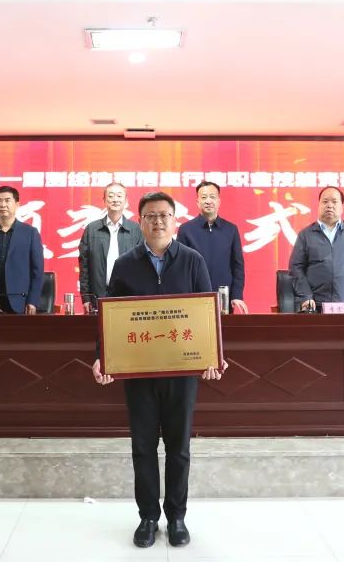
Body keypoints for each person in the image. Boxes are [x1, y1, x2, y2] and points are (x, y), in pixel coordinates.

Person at [91, 191, 227, 549]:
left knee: (179, 447)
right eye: (150, 216)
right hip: (140, 372)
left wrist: (213, 356)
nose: (158, 221)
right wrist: (102, 357)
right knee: (143, 446)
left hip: (181, 372)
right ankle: (148, 517)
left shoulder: (193, 261)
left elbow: (206, 314)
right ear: (140, 221)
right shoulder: (125, 265)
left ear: (174, 220)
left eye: (164, 215)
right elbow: (111, 318)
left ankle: (177, 517)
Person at [289, 186, 344, 312]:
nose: (329, 205)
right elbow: (296, 267)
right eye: (325, 201)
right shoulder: (306, 235)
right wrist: (305, 296)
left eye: (334, 202)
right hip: (315, 306)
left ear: (342, 207)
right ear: (318, 205)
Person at [176, 180, 248, 313]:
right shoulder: (186, 230)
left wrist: (237, 295)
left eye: (212, 197)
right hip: (194, 298)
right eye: (204, 197)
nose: (208, 201)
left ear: (219, 201)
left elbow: (237, 266)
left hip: (224, 298)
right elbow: (180, 267)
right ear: (197, 202)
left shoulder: (231, 229)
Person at [0, 185, 44, 314]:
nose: (3, 205)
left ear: (17, 205)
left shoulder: (30, 233)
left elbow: (37, 271)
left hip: (20, 301)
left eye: (7, 200)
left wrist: (32, 301)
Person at [77, 182, 142, 313]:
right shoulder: (92, 229)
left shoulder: (136, 230)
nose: (115, 199)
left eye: (119, 196)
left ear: (126, 201)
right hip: (98, 295)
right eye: (111, 196)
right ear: (104, 201)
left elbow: (142, 266)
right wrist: (86, 297)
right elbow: (84, 266)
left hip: (128, 296)